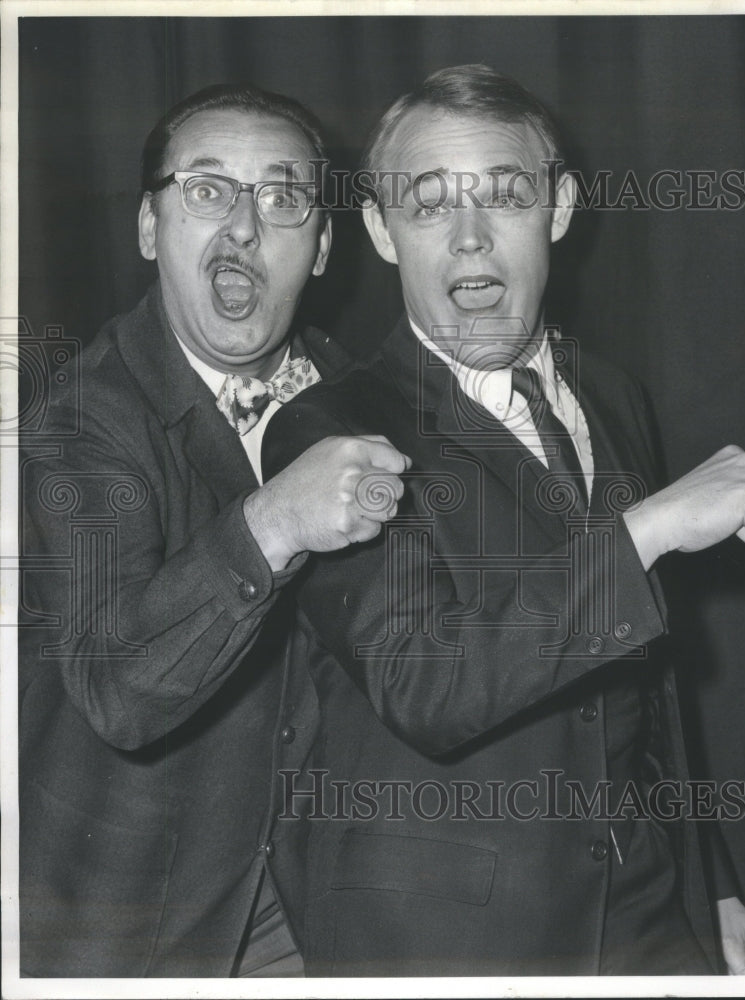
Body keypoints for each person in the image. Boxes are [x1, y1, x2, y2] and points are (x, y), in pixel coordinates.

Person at [263, 65, 745, 976]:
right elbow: (427, 681)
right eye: (428, 207)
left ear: (561, 208)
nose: (470, 240)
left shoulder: (611, 396)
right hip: (447, 940)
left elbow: (647, 689)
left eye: (504, 197)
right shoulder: (328, 427)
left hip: (644, 907)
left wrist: (713, 884)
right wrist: (646, 529)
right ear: (381, 231)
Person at [18, 83, 408, 977]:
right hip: (131, 930)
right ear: (150, 230)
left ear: (319, 248)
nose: (242, 226)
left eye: (281, 198)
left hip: (319, 907)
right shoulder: (78, 421)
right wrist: (274, 519)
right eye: (206, 190)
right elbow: (119, 689)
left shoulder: (360, 396)